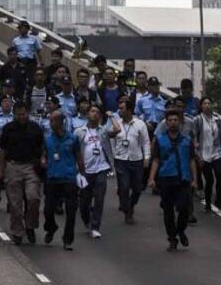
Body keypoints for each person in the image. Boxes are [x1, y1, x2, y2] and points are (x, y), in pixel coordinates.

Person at [148, 110, 197, 251]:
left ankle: (180, 230)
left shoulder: (187, 141)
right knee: (168, 211)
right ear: (166, 123)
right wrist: (152, 178)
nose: (173, 122)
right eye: (170, 120)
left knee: (184, 209)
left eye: (176, 120)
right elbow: (156, 160)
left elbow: (192, 160)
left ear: (180, 122)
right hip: (166, 178)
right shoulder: (160, 140)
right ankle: (172, 238)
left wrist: (195, 179)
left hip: (183, 178)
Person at [0, 102, 44, 244]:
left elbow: (41, 147)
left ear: (28, 113)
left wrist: (41, 161)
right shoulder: (8, 129)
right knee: (15, 203)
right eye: (19, 114)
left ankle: (30, 225)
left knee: (33, 198)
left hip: (31, 166)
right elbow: (2, 150)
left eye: (24, 114)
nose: (22, 116)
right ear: (14, 114)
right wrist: (1, 170)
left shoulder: (35, 128)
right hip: (13, 166)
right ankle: (17, 231)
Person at [41, 111, 81, 250]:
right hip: (52, 177)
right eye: (50, 121)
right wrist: (44, 161)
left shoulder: (73, 138)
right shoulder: (47, 139)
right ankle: (51, 227)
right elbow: (44, 155)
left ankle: (68, 239)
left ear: (60, 122)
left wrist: (82, 174)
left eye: (53, 121)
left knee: (71, 210)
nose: (50, 124)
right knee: (48, 209)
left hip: (69, 178)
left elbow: (78, 156)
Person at [74, 105, 117, 238]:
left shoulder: (103, 130)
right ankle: (87, 220)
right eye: (92, 111)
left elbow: (117, 130)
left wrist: (111, 116)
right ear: (87, 115)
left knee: (99, 199)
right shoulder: (79, 132)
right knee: (84, 200)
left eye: (98, 112)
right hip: (85, 169)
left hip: (101, 169)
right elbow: (74, 150)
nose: (95, 114)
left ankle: (95, 226)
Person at [110, 97, 150, 224]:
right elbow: (112, 141)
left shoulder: (140, 124)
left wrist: (147, 157)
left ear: (129, 110)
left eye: (122, 108)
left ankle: (130, 206)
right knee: (124, 186)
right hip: (121, 159)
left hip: (136, 159)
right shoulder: (117, 124)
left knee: (137, 188)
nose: (119, 111)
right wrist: (113, 156)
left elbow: (145, 142)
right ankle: (127, 210)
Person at [193, 97, 221, 213]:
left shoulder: (217, 119)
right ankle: (208, 203)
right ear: (201, 106)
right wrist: (198, 155)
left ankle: (218, 199)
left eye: (209, 103)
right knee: (209, 180)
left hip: (217, 153)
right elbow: (195, 138)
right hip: (204, 154)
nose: (207, 105)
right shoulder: (197, 119)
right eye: (205, 103)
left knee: (220, 177)